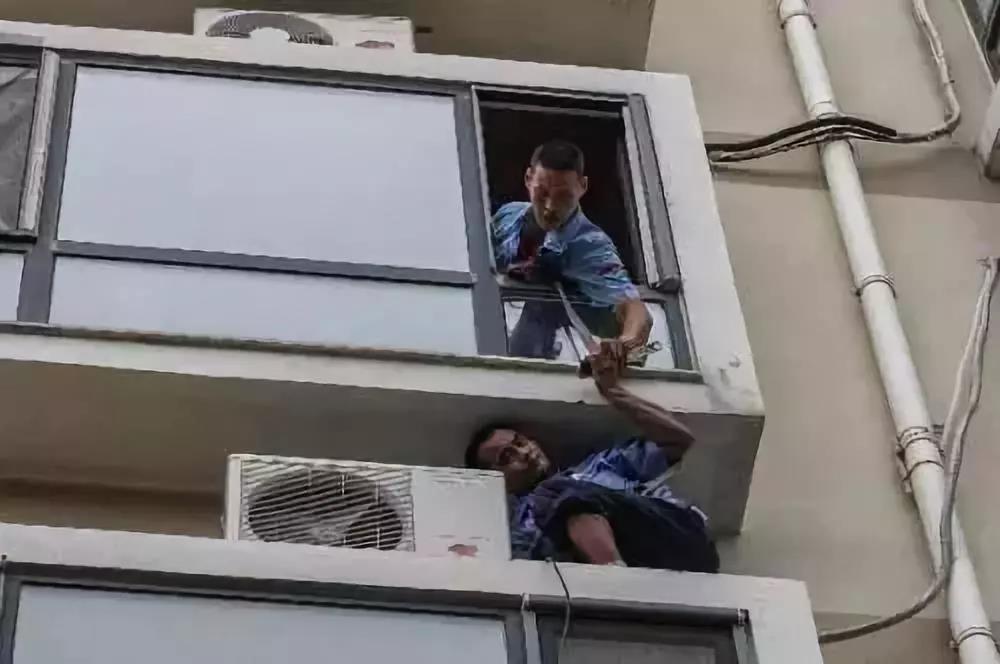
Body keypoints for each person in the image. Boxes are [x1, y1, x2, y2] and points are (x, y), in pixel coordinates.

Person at [465, 342, 718, 572]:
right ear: (499, 481)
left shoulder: (601, 465)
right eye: (507, 457)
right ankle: (613, 578)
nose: (524, 452)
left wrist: (612, 391)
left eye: (520, 442)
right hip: (647, 568)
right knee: (553, 498)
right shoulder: (518, 532)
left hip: (680, 538)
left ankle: (613, 579)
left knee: (558, 492)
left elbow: (678, 440)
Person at [492, 140, 651, 367]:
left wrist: (622, 345)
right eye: (542, 193)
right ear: (528, 179)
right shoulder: (508, 215)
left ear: (582, 187)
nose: (550, 207)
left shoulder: (590, 245)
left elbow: (634, 308)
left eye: (563, 197)